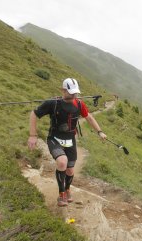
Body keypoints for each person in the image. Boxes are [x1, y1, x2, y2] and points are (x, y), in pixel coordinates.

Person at [28, 78, 107, 207]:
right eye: (70, 93)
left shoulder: (80, 104)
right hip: (55, 138)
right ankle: (61, 194)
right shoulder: (52, 103)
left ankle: (68, 189)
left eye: (75, 93)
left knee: (70, 170)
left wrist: (100, 132)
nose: (73, 95)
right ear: (63, 90)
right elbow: (33, 114)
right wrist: (33, 135)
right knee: (62, 162)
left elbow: (89, 118)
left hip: (70, 139)